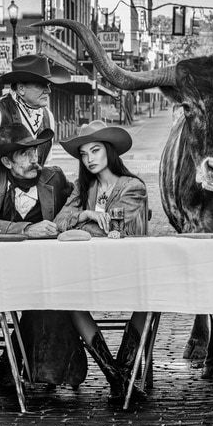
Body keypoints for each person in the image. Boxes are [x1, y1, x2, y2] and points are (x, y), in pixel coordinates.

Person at [0, 123, 86, 390]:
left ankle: (30, 366)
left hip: (47, 269)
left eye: (36, 151)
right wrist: (27, 229)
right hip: (0, 270)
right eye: (25, 154)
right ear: (7, 161)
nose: (36, 159)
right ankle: (22, 363)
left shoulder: (54, 178)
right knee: (44, 293)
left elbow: (75, 206)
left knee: (49, 292)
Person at [54, 120, 151, 405]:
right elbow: (59, 222)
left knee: (149, 301)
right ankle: (117, 377)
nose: (89, 159)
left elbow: (119, 230)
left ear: (109, 151)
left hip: (128, 268)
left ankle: (121, 374)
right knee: (69, 301)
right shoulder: (83, 188)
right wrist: (85, 215)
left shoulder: (132, 186)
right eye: (84, 154)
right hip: (89, 269)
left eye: (95, 151)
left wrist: (80, 229)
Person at [0, 54, 69, 207]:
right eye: (41, 85)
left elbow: (44, 164)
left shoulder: (48, 117)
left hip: (28, 205)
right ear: (21, 89)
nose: (48, 91)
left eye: (48, 85)